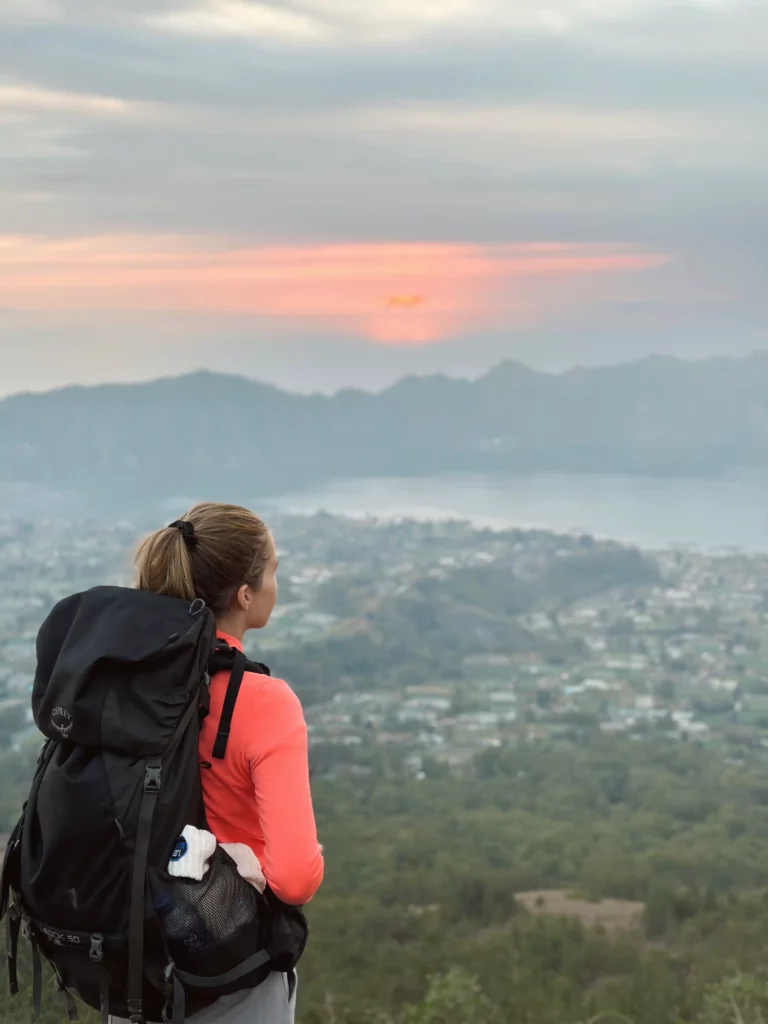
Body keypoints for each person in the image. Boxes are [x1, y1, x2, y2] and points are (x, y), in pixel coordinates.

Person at [114, 502, 324, 1024]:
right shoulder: (263, 701)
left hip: (130, 960)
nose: (277, 584)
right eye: (273, 571)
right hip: (228, 970)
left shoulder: (123, 684)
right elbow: (296, 878)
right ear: (245, 594)